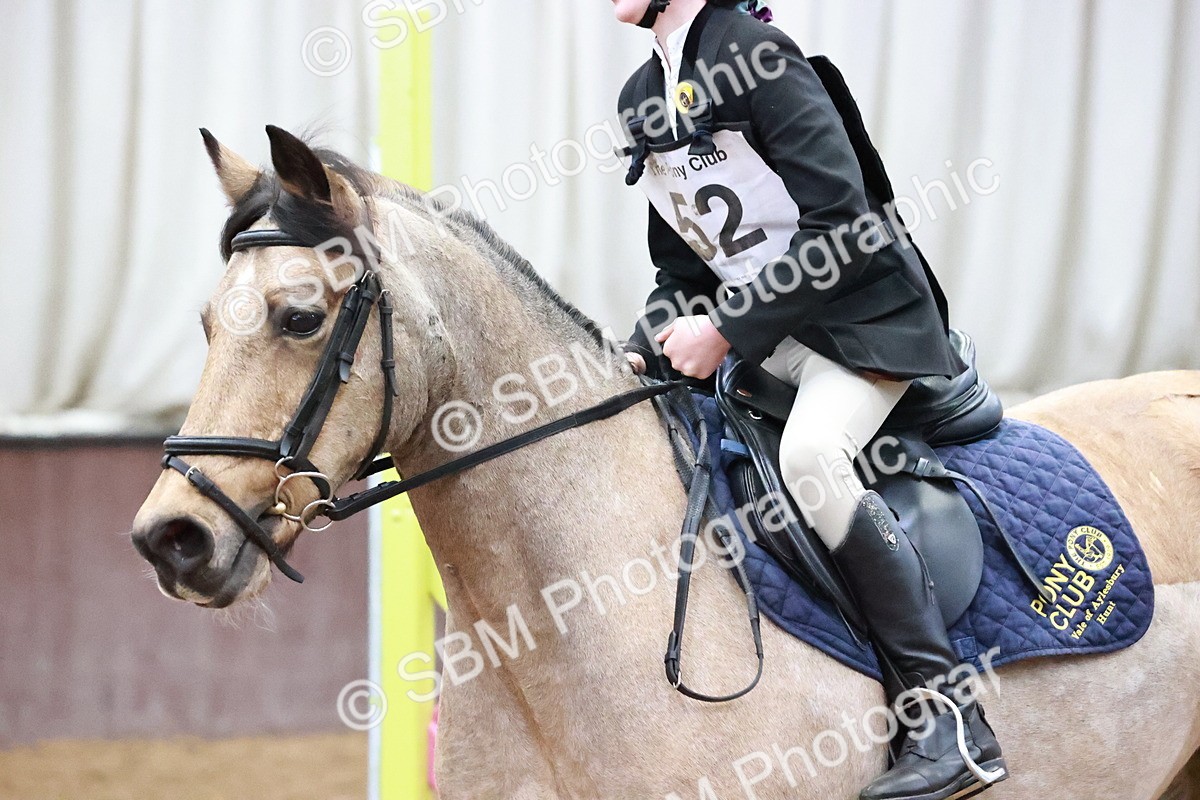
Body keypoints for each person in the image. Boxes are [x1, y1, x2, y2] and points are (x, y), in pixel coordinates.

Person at [609, 1, 1009, 798]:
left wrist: (724, 329)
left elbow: (844, 223)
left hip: (861, 326)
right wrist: (642, 340)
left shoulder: (757, 52)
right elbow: (681, 271)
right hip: (769, 346)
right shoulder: (639, 96)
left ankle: (951, 719)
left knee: (813, 459)